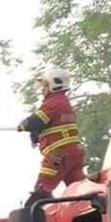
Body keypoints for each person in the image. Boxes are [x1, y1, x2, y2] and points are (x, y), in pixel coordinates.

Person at [18, 66, 86, 208]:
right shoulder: (64, 104)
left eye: (45, 85)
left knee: (41, 194)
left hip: (58, 157)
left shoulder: (53, 103)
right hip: (73, 156)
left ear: (54, 85)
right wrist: (36, 134)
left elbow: (35, 121)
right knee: (81, 193)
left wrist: (24, 125)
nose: (42, 89)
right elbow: (53, 126)